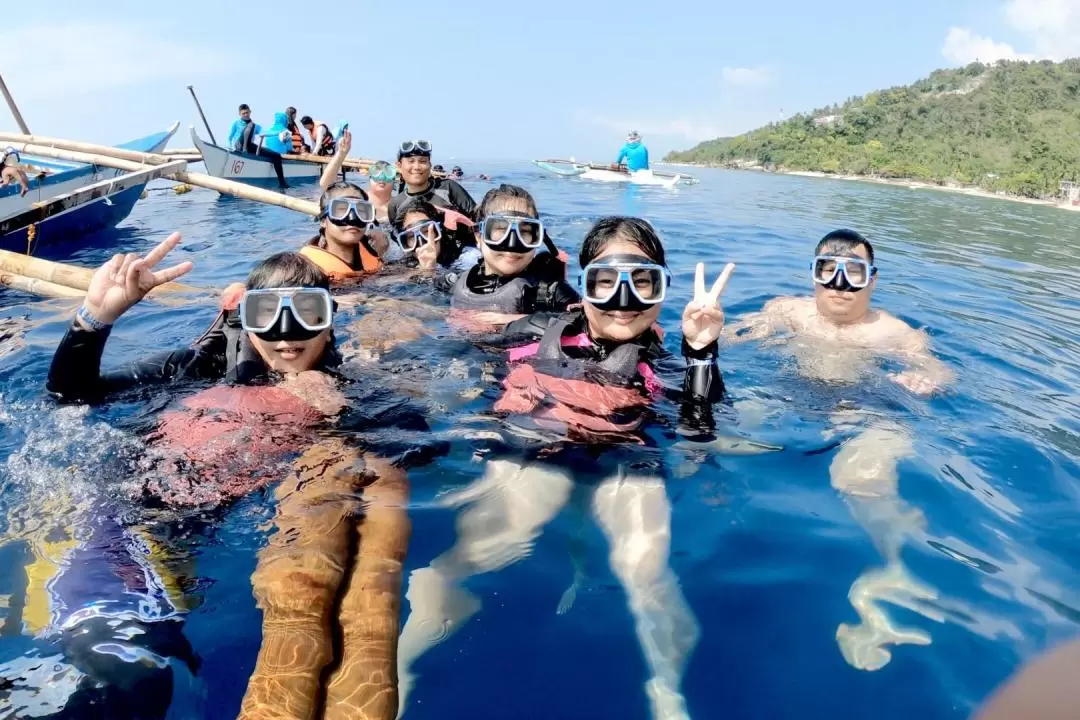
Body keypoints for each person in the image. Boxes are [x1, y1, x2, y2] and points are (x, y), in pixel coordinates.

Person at [45, 237, 410, 718]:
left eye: (306, 313)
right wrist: (95, 320)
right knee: (117, 681)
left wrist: (338, 415)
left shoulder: (349, 391)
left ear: (330, 319)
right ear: (245, 320)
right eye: (267, 315)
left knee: (136, 681)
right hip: (111, 515)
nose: (286, 335)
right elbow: (72, 397)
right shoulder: (194, 368)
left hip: (176, 541)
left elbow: (413, 445)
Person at [397, 216, 735, 720]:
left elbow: (700, 429)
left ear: (663, 289)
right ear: (584, 285)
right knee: (484, 551)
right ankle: (405, 662)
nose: (624, 298)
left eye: (643, 281)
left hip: (627, 454)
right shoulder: (533, 331)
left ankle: (668, 692)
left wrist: (703, 352)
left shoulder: (670, 361)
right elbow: (450, 355)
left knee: (646, 572)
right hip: (534, 448)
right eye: (607, 280)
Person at [723, 228, 954, 671]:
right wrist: (720, 330)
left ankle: (890, 571)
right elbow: (733, 337)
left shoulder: (894, 334)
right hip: (788, 395)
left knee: (860, 477)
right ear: (813, 274)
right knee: (730, 428)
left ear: (873, 278)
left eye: (854, 272)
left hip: (868, 409)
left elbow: (940, 371)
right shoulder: (787, 311)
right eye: (828, 271)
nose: (840, 284)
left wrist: (928, 382)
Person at [447, 183, 578, 322]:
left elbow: (587, 322)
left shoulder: (549, 293)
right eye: (501, 229)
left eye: (525, 231)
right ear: (479, 236)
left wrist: (515, 321)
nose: (512, 243)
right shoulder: (456, 281)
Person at [300, 181, 394, 284]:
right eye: (341, 210)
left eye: (361, 211)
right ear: (323, 221)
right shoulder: (307, 271)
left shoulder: (372, 249)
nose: (352, 219)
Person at [226, 104, 289, 189]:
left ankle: (282, 183)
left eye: (247, 112)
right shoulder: (236, 123)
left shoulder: (255, 126)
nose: (246, 115)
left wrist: (278, 133)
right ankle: (244, 150)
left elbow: (264, 132)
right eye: (243, 113)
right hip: (239, 146)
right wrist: (230, 148)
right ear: (239, 114)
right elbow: (230, 137)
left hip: (249, 146)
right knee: (251, 125)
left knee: (276, 156)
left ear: (250, 112)